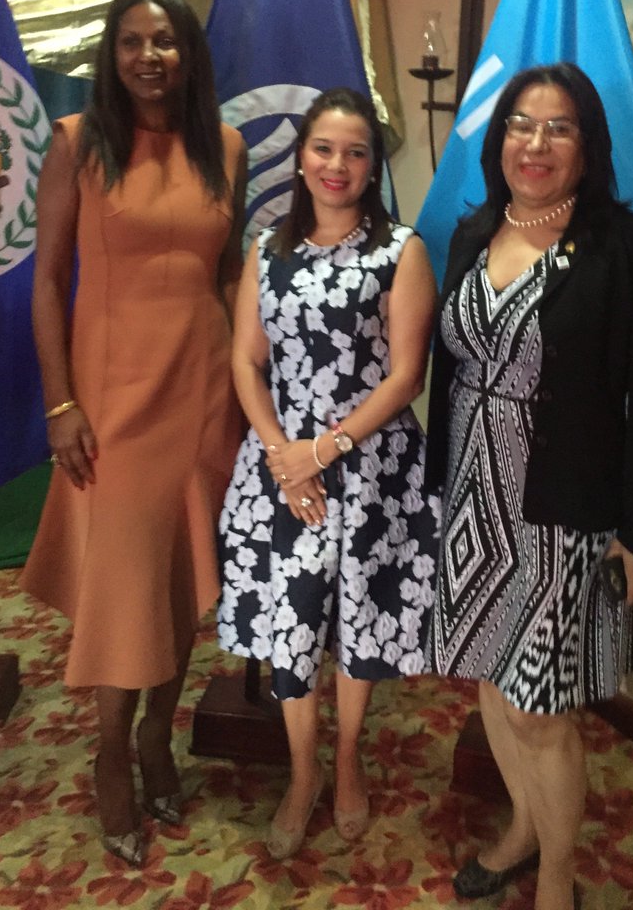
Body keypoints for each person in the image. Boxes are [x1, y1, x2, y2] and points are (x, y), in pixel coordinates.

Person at [424, 63, 633, 910]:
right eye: (521, 125)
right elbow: (451, 369)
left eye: (559, 127)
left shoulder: (628, 248)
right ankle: (523, 832)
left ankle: (558, 876)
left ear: (588, 145)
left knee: (541, 708)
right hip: (474, 502)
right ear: (500, 139)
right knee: (491, 683)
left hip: (560, 514)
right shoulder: (473, 231)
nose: (535, 143)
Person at [21, 0, 247, 866]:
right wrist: (60, 403)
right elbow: (47, 283)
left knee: (180, 577)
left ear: (188, 54)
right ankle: (111, 753)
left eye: (165, 41)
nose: (149, 57)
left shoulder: (225, 146)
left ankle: (160, 734)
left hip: (204, 398)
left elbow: (227, 275)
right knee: (124, 590)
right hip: (114, 403)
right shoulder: (78, 142)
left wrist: (256, 385)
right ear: (111, 55)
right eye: (132, 41)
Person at [217, 87, 440, 859]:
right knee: (293, 622)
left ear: (373, 165)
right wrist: (285, 455)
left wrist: (325, 449)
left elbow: (406, 376)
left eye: (355, 152)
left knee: (357, 619)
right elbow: (246, 361)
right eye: (323, 149)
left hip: (371, 468)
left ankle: (347, 761)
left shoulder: (400, 251)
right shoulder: (266, 251)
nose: (336, 164)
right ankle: (302, 773)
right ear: (301, 157)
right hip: (283, 472)